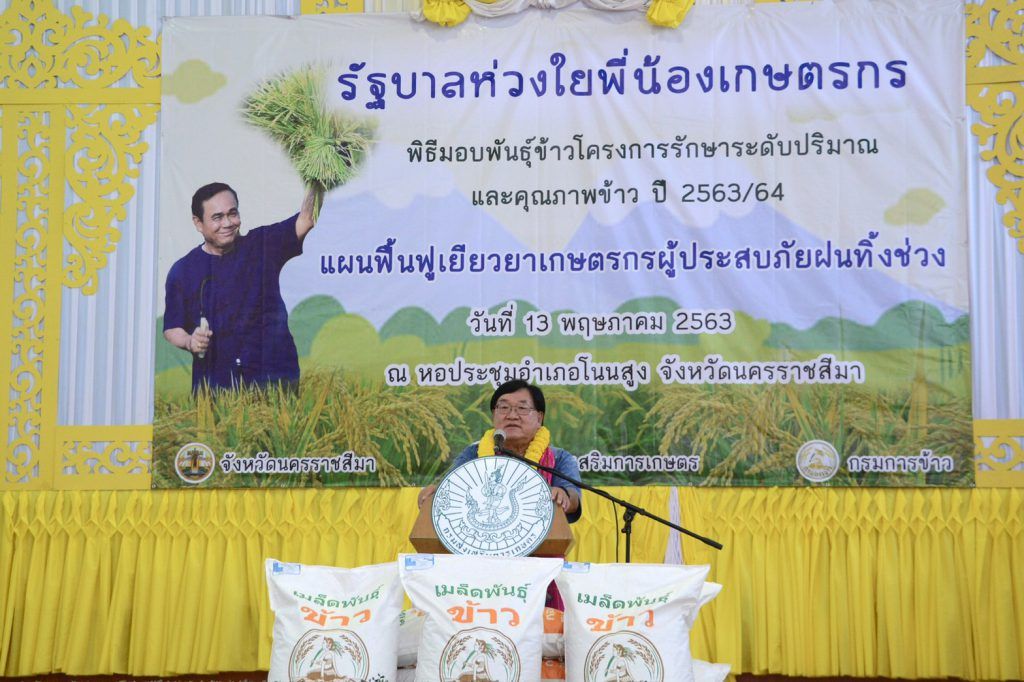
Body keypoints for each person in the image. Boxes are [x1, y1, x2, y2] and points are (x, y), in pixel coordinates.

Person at [163, 182, 317, 392]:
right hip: (216, 385)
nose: (227, 223)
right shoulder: (183, 270)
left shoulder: (262, 244)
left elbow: (306, 219)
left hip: (275, 378)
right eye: (217, 217)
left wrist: (317, 177)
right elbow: (172, 327)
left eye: (232, 213)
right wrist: (190, 341)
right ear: (198, 223)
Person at [418, 379, 583, 523]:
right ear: (493, 415)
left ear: (539, 418)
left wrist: (563, 496)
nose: (512, 415)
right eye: (503, 407)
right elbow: (451, 486)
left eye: (522, 408)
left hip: (543, 544)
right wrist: (435, 492)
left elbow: (573, 497)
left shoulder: (559, 458)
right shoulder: (473, 454)